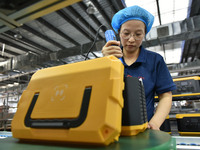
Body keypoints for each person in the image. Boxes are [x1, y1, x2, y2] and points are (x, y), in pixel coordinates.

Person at [102, 5, 176, 130]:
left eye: (138, 34)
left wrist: (155, 124)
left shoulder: (155, 60)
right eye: (126, 33)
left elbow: (166, 96)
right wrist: (104, 62)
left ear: (144, 35)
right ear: (119, 33)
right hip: (110, 127)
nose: (131, 39)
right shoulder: (109, 59)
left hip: (143, 128)